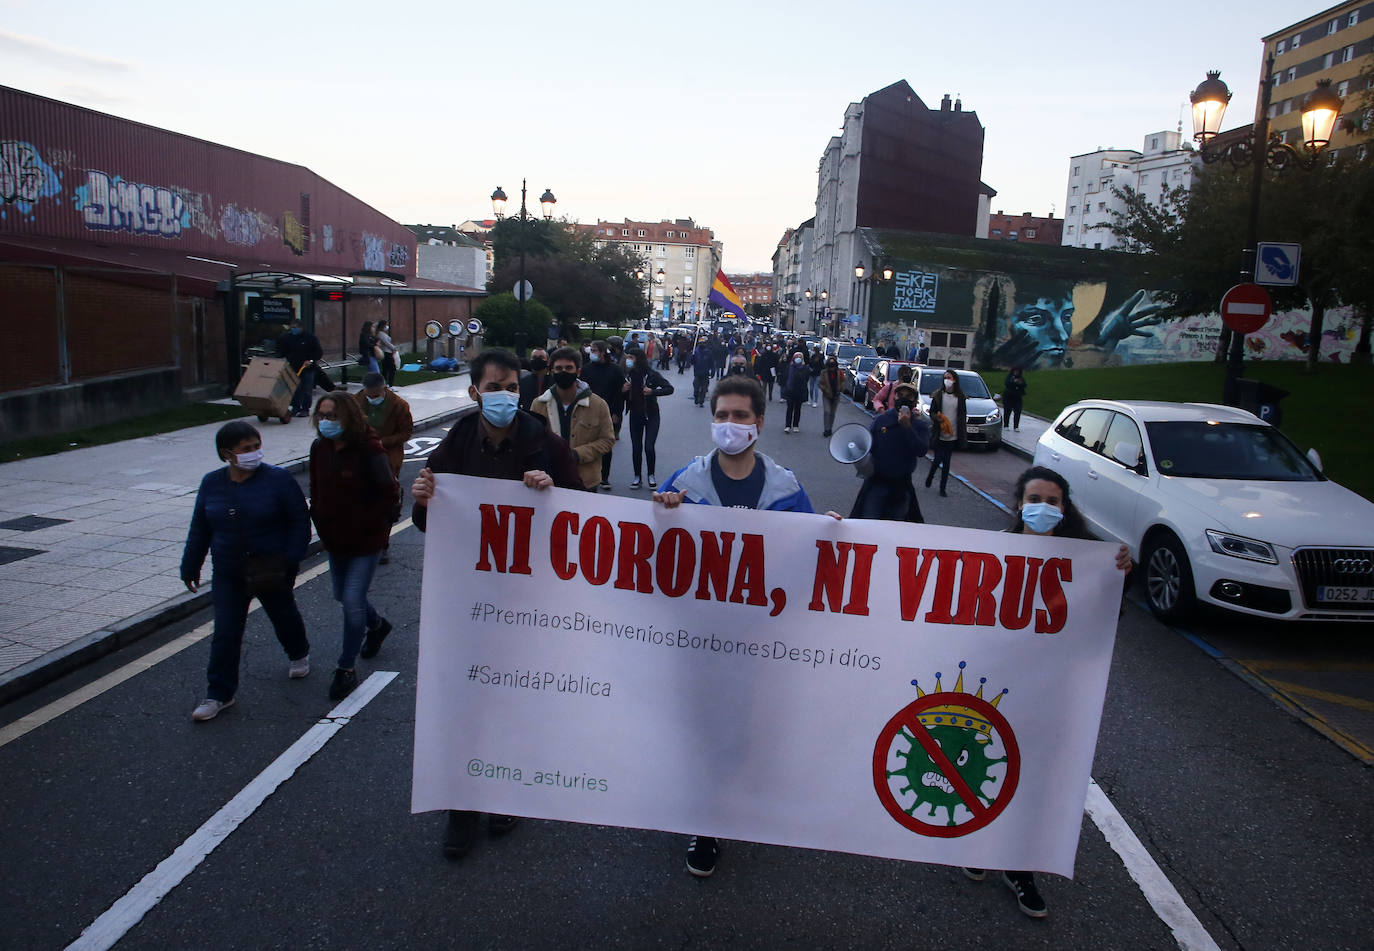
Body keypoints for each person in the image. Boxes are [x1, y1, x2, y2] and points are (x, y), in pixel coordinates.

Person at [653, 374, 838, 878]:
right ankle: (705, 820)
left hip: (758, 640)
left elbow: (807, 562)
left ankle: (734, 793)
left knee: (744, 726)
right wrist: (662, 514)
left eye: (739, 416)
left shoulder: (786, 488)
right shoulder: (683, 484)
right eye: (721, 415)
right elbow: (649, 560)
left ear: (759, 423)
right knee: (700, 723)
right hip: (697, 636)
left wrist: (832, 533)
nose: (729, 425)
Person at [410, 348, 582, 861]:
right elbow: (431, 521)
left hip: (529, 599)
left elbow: (582, 513)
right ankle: (462, 808)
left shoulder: (544, 442)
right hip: (468, 597)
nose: (505, 396)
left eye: (511, 387)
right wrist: (423, 500)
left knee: (512, 698)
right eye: (494, 388)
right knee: (466, 699)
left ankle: (506, 790)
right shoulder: (458, 441)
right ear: (473, 393)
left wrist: (550, 493)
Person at [963, 464, 1133, 918]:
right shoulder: (995, 550)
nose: (1042, 508)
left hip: (1051, 690)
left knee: (1032, 774)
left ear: (1065, 507)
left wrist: (1121, 574)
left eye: (1052, 501)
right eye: (1033, 499)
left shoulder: (1086, 559)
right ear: (1019, 504)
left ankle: (1019, 865)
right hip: (995, 682)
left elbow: (1107, 617)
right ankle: (979, 845)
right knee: (985, 765)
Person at [181, 421, 311, 722]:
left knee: (283, 616)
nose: (254, 453)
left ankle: (298, 651)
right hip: (229, 570)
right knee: (226, 632)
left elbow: (299, 521)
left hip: (270, 568)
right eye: (246, 449)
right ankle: (219, 694)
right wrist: (191, 564)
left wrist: (291, 559)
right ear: (228, 454)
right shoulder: (212, 483)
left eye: (256, 447)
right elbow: (200, 526)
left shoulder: (277, 480)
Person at [309, 393, 399, 701]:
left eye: (333, 416)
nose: (326, 422)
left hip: (365, 540)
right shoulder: (320, 448)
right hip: (335, 539)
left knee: (351, 599)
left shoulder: (369, 451)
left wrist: (376, 530)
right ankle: (376, 625)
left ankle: (345, 668)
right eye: (322, 415)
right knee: (341, 595)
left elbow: (389, 494)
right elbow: (316, 489)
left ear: (348, 417)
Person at [531, 346, 615, 492]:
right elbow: (531, 440)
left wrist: (576, 454)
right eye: (558, 368)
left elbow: (607, 440)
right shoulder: (539, 404)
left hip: (585, 482)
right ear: (551, 371)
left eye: (569, 368)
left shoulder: (598, 405)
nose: (563, 372)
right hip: (549, 481)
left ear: (578, 371)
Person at [353, 371, 414, 564]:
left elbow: (406, 433)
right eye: (369, 395)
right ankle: (362, 538)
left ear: (384, 389)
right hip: (360, 457)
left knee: (385, 502)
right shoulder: (356, 401)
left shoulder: (399, 406)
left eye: (376, 395)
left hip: (387, 457)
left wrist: (381, 442)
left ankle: (383, 544)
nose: (372, 398)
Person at [849, 381, 929, 521]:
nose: (903, 398)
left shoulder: (919, 425)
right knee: (869, 522)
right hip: (877, 483)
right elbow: (868, 445)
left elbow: (921, 450)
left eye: (908, 396)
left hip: (901, 486)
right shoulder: (881, 420)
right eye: (900, 395)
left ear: (914, 402)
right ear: (894, 397)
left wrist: (907, 427)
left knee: (895, 526)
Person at [622, 348, 674, 489]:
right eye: (628, 357)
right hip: (635, 415)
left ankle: (651, 475)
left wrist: (653, 392)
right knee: (636, 448)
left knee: (649, 447)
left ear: (638, 358)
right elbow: (620, 395)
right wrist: (623, 391)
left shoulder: (651, 375)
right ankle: (637, 477)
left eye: (631, 357)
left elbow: (669, 388)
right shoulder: (627, 375)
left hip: (651, 415)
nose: (629, 360)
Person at [581, 340, 626, 490]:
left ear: (602, 352)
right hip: (587, 411)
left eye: (594, 350)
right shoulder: (586, 369)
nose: (591, 352)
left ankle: (604, 477)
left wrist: (616, 413)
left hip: (608, 412)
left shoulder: (615, 370)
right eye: (591, 350)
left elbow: (619, 394)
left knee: (605, 445)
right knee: (587, 443)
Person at [925, 369, 967, 497]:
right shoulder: (938, 395)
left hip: (952, 434)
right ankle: (931, 475)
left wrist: (962, 435)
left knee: (947, 462)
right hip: (940, 433)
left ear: (954, 380)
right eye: (945, 378)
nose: (947, 380)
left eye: (949, 377)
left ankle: (942, 488)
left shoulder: (960, 397)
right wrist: (937, 418)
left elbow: (962, 416)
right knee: (938, 459)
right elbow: (932, 412)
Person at [278, 319, 323, 418]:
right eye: (292, 327)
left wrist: (310, 360)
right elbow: (283, 351)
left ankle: (305, 409)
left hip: (307, 368)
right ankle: (295, 407)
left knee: (307, 389)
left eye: (295, 327)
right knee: (295, 388)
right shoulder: (288, 338)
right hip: (293, 367)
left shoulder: (310, 338)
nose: (293, 329)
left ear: (301, 327)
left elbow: (318, 352)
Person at [817, 355, 849, 438]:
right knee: (827, 411)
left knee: (832, 413)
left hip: (836, 395)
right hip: (826, 395)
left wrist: (840, 389)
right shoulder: (824, 373)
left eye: (833, 366)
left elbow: (843, 381)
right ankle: (826, 429)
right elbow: (820, 383)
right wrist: (825, 389)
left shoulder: (839, 373)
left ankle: (830, 428)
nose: (832, 368)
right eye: (831, 366)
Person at [780, 349, 809, 434]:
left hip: (800, 390)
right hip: (790, 390)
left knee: (797, 409)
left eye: (800, 357)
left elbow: (806, 379)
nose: (798, 358)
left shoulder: (804, 368)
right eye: (797, 357)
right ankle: (787, 425)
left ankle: (796, 425)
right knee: (789, 409)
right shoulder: (790, 367)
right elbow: (785, 377)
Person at [1003, 367, 1027, 432]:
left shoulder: (1021, 378)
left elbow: (1024, 385)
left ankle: (1016, 426)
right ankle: (1006, 425)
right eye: (1015, 371)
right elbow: (1007, 384)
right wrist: (1014, 382)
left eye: (1017, 371)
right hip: (1008, 397)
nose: (1016, 373)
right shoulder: (1009, 377)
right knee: (1007, 411)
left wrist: (1019, 383)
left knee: (1017, 412)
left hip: (1018, 397)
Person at [376, 320, 399, 386]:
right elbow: (387, 343)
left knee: (385, 369)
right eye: (386, 325)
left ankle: (384, 383)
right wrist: (394, 348)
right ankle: (390, 384)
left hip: (387, 352)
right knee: (392, 368)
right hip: (386, 352)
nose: (387, 326)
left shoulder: (382, 333)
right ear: (383, 326)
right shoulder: (381, 334)